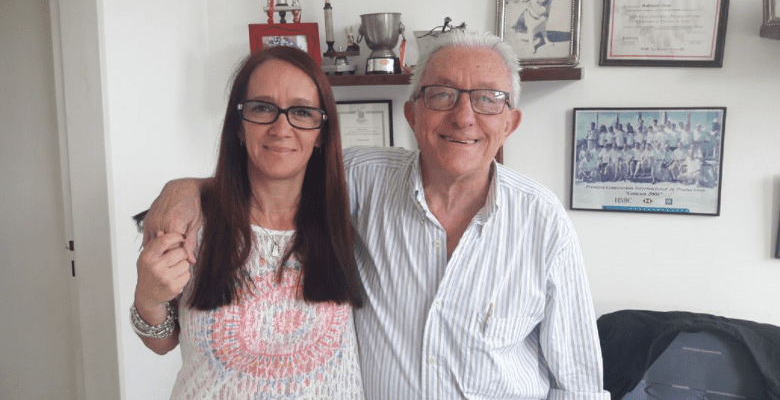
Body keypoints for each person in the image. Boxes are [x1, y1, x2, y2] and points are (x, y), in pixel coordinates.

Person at [143, 31, 608, 399]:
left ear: (510, 123)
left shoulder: (543, 223)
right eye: (441, 95)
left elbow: (580, 386)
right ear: (412, 114)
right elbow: (278, 166)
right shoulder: (362, 182)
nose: (464, 116)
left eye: (488, 99)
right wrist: (186, 188)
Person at [130, 46, 365, 399]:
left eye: (302, 112)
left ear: (321, 132)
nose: (281, 128)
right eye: (262, 108)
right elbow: (162, 343)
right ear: (238, 126)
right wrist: (147, 300)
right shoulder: (190, 223)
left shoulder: (351, 217)